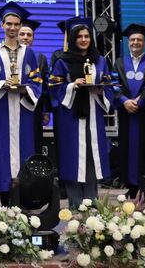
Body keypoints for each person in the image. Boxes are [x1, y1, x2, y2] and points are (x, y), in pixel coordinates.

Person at [0, 3, 42, 205]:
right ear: (2, 25)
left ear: (20, 26)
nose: (12, 28)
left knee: (25, 147)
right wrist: (0, 84)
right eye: (9, 24)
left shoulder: (29, 53)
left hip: (23, 108)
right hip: (1, 108)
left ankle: (25, 193)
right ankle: (5, 196)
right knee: (2, 149)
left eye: (16, 24)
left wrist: (25, 89)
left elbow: (37, 80)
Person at [49, 17, 113, 209]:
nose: (84, 40)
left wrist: (100, 90)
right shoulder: (63, 61)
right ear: (73, 39)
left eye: (87, 36)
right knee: (73, 158)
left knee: (92, 156)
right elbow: (53, 87)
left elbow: (109, 85)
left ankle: (91, 201)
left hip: (93, 114)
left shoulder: (100, 60)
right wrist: (72, 85)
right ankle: (75, 202)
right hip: (71, 118)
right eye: (79, 37)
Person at [113, 24, 145, 198]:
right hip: (127, 114)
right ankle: (131, 187)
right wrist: (124, 101)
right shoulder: (119, 62)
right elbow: (113, 84)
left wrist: (140, 101)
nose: (135, 42)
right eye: (132, 39)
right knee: (128, 149)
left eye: (139, 39)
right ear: (128, 43)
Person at [19, 18, 51, 161]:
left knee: (34, 141)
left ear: (33, 38)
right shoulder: (7, 55)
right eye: (22, 34)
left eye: (29, 35)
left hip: (34, 108)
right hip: (12, 105)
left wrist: (46, 111)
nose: (25, 37)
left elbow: (45, 87)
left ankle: (33, 172)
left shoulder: (40, 58)